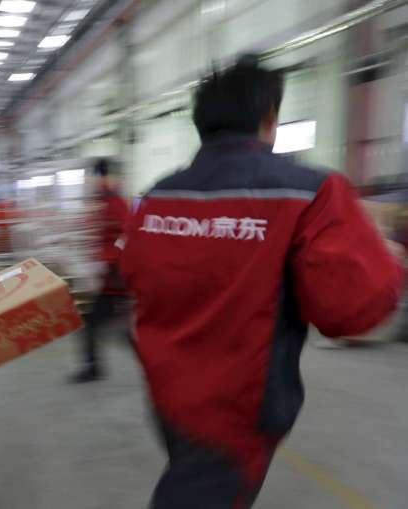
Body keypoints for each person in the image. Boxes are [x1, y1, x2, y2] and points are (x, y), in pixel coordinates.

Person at [118, 56, 405, 508]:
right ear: (268, 119)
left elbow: (134, 275)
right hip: (238, 411)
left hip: (167, 394)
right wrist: (390, 261)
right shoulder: (309, 192)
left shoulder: (157, 196)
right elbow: (348, 309)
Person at [69, 158, 131, 383]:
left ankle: (93, 368)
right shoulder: (104, 200)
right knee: (121, 330)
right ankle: (94, 367)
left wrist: (109, 262)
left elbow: (126, 237)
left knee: (93, 325)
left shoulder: (112, 201)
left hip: (114, 279)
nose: (88, 182)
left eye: (91, 176)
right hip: (110, 277)